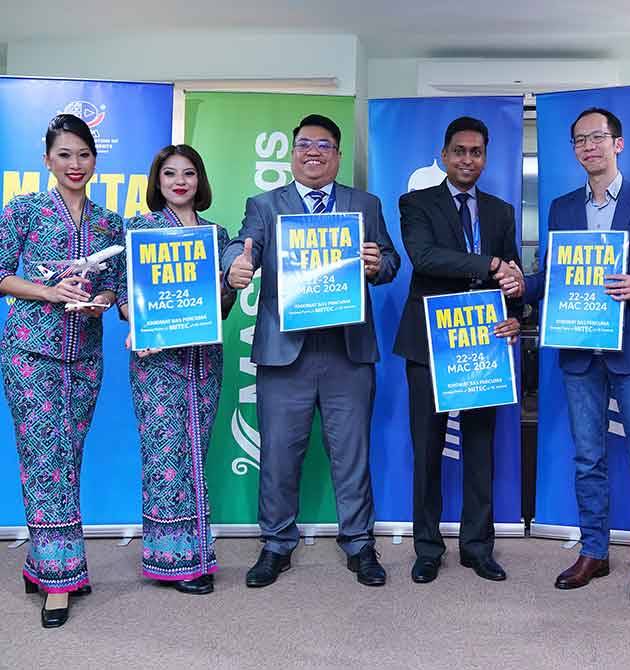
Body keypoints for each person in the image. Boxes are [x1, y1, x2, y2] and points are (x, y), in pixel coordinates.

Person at [513, 107, 630, 604]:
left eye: (597, 137)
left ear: (618, 143)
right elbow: (552, 277)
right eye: (579, 140)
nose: (588, 146)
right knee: (588, 457)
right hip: (578, 348)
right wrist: (520, 287)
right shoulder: (561, 207)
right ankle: (593, 551)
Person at [222, 114, 399, 588]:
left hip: (347, 349)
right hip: (286, 352)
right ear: (293, 153)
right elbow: (243, 246)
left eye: (324, 144)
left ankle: (360, 544)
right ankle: (276, 544)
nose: (313, 152)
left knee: (352, 454)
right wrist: (232, 265)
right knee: (279, 453)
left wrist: (379, 262)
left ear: (338, 155)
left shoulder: (365, 203)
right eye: (304, 144)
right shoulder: (264, 204)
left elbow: (391, 261)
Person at [0, 114, 124, 627]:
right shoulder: (22, 210)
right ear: (48, 159)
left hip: (85, 355)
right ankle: (59, 579)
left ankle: (42, 563)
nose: (76, 164)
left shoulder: (109, 222)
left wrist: (99, 299)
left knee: (67, 459)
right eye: (65, 154)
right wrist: (48, 291)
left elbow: (114, 287)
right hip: (30, 352)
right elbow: (1, 275)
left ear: (96, 160)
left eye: (84, 155)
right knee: (44, 461)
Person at [394, 116, 522, 584]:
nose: (468, 159)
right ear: (445, 155)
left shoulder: (501, 211)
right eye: (460, 151)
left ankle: (477, 547)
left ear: (485, 157)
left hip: (483, 341)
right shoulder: (416, 203)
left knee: (480, 449)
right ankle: (427, 548)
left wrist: (517, 308)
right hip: (430, 343)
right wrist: (490, 263)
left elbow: (512, 276)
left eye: (477, 152)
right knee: (426, 451)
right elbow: (425, 258)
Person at [119, 145, 236, 595]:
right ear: (158, 181)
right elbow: (126, 300)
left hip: (204, 360)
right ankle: (171, 560)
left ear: (200, 180)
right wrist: (139, 323)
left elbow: (222, 306)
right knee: (165, 459)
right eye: (170, 174)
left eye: (188, 173)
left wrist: (232, 283)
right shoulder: (141, 229)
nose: (179, 181)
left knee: (194, 454)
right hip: (158, 362)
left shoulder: (216, 234)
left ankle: (197, 555)